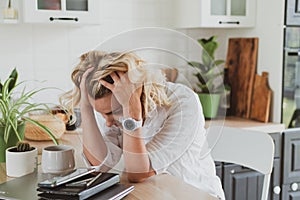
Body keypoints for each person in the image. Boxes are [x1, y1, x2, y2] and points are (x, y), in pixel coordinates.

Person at [61, 50, 225, 199]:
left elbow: (139, 173)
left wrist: (130, 113)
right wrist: (85, 106)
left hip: (197, 195)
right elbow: (101, 164)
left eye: (113, 112)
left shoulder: (182, 102)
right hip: (154, 194)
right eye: (102, 113)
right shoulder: (112, 105)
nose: (108, 122)